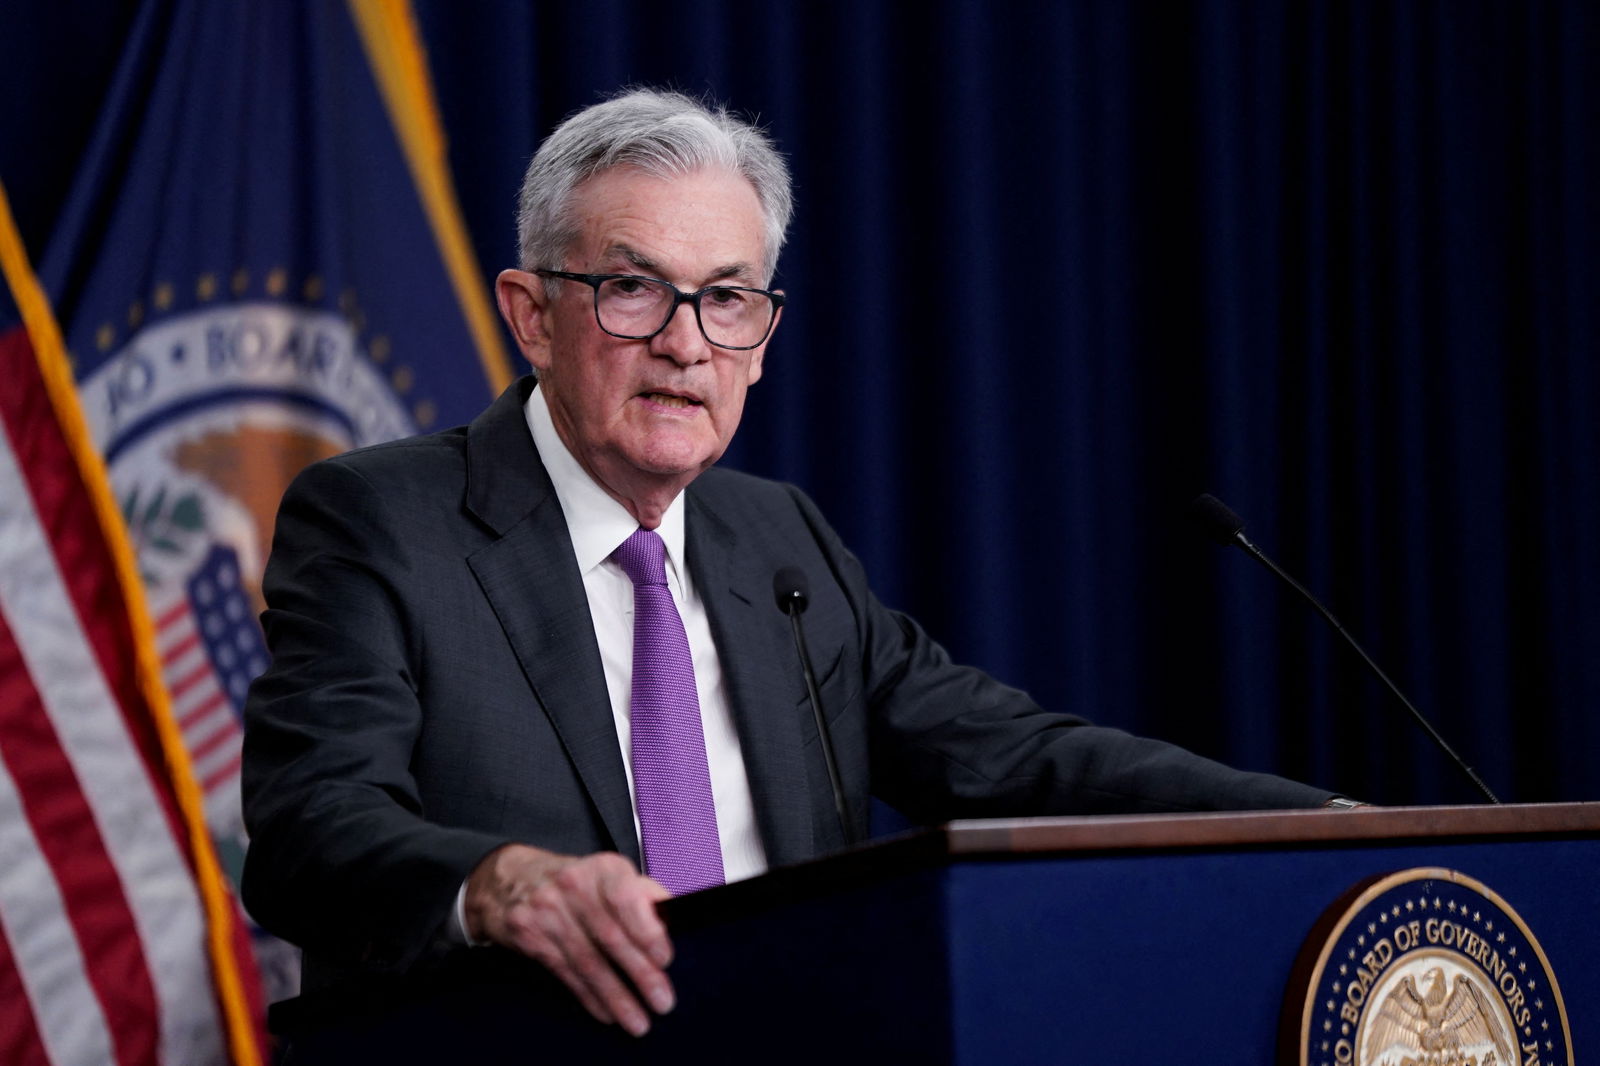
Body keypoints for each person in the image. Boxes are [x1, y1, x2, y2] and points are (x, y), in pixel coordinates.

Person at [240, 88, 1336, 1041]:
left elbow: (1015, 758)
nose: (685, 342)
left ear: (761, 340)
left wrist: (1320, 828)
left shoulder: (778, 542)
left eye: (725, 299)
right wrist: (497, 884)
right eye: (634, 289)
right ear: (532, 316)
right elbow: (309, 830)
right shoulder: (382, 521)